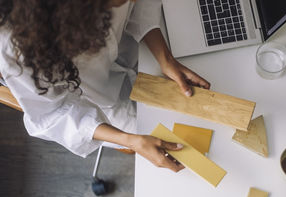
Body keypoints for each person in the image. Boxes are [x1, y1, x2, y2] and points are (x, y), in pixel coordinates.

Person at [0, 0, 210, 172]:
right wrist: (130, 140)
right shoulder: (18, 48)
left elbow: (141, 5)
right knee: (183, 144)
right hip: (95, 104)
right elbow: (53, 115)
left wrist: (165, 59)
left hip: (134, 45)